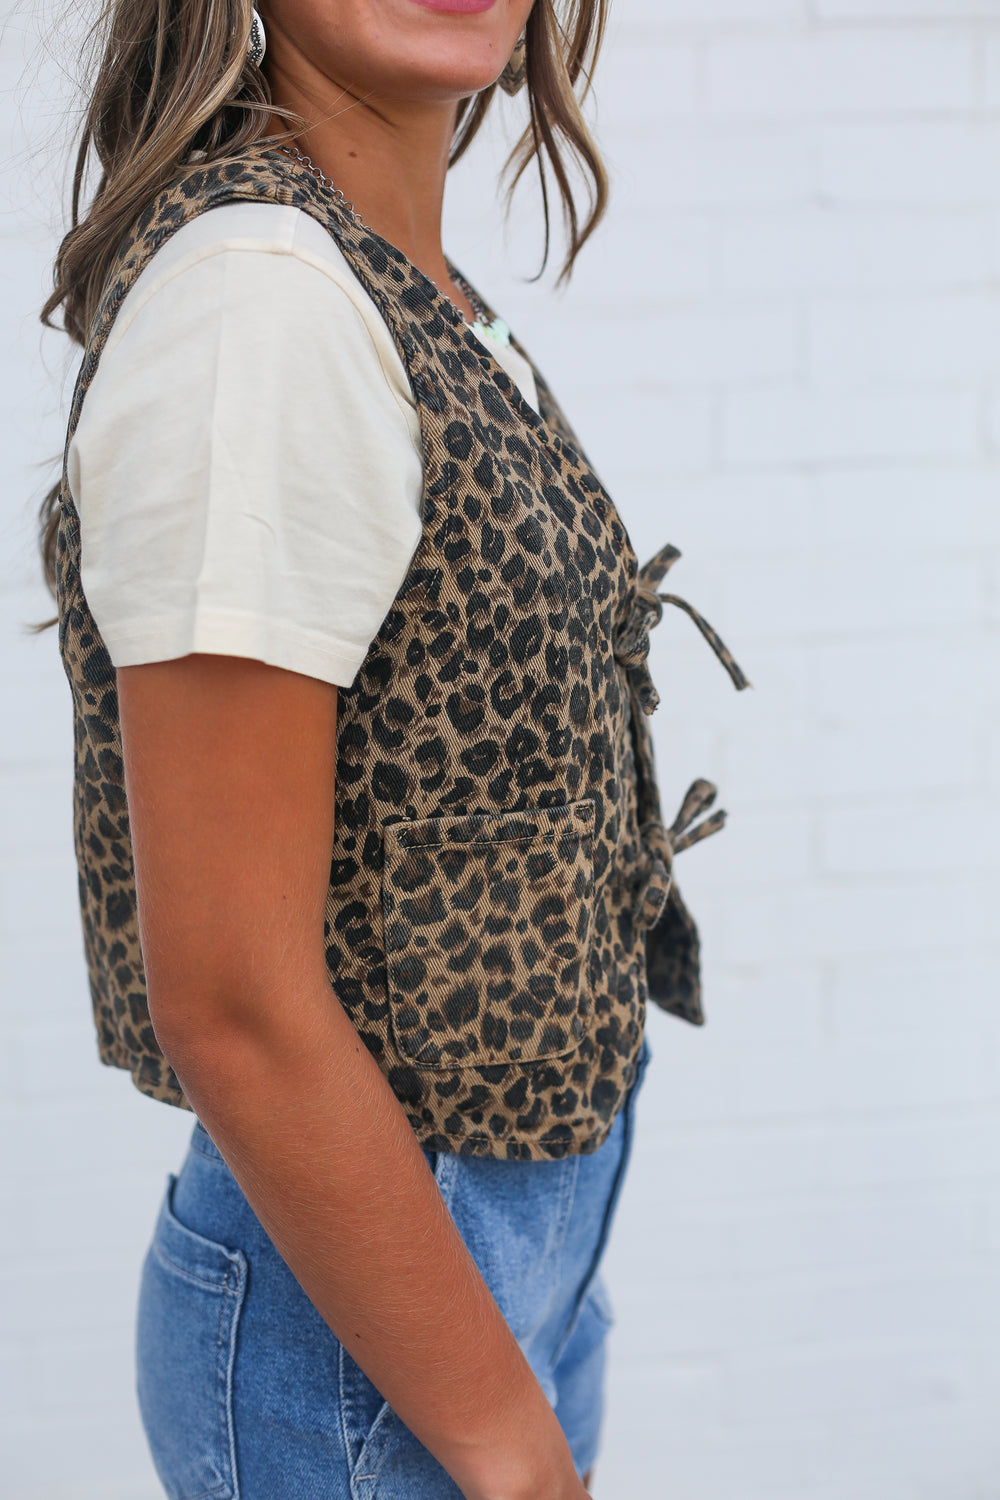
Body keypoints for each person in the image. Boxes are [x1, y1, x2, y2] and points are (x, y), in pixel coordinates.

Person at [35, 2, 749, 1496]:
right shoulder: (260, 304)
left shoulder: (380, 271)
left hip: (481, 1271)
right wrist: (508, 1445)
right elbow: (233, 1000)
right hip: (368, 1338)